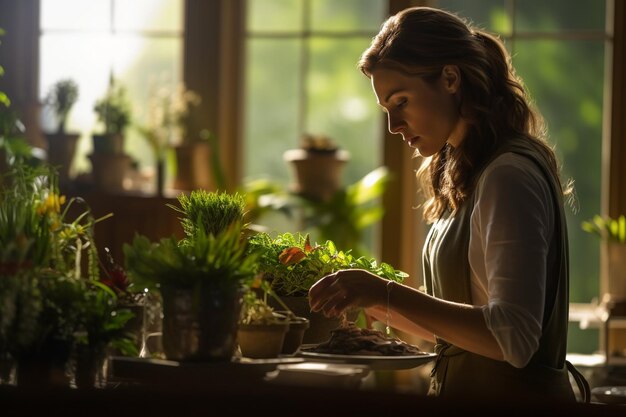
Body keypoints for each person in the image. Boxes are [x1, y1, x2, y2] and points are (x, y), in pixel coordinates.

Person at [308, 6, 589, 403]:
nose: (394, 126)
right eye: (387, 110)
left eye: (401, 101)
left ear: (451, 78)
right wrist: (369, 297)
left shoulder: (508, 176)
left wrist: (387, 291)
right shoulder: (472, 173)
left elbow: (513, 337)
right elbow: (463, 330)